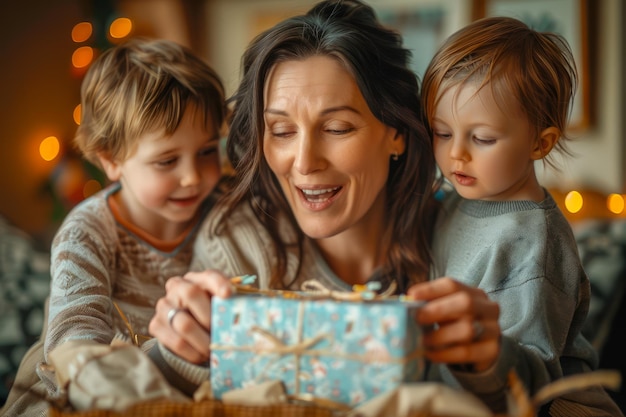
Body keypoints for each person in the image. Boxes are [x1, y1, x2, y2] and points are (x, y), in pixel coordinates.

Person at [148, 3, 620, 417]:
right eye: (282, 130)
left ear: (396, 131)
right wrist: (177, 338)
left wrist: (491, 359)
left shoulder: (454, 218)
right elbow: (150, 370)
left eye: (336, 128)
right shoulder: (235, 244)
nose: (305, 162)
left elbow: (543, 381)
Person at [1, 37, 227, 416]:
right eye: (167, 161)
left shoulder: (221, 206)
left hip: (197, 378)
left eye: (207, 151)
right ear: (110, 161)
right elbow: (73, 342)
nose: (193, 177)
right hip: (95, 385)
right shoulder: (87, 231)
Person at [418, 16, 623, 416]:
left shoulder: (533, 241)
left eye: (482, 138)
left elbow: (528, 378)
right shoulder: (453, 198)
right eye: (442, 133)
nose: (456, 153)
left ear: (539, 142)